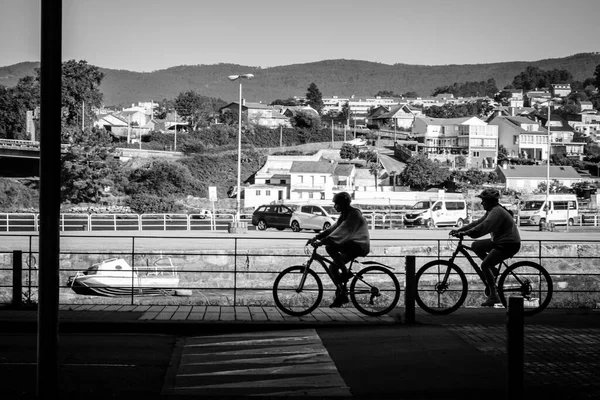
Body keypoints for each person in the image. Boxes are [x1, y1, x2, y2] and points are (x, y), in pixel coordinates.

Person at [450, 188, 521, 307]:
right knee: (476, 245)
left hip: (509, 244)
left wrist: (466, 233)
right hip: (500, 241)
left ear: (490, 201)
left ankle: (494, 296)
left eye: (483, 200)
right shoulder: (491, 211)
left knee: (484, 265)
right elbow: (477, 223)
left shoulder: (496, 212)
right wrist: (460, 230)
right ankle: (492, 270)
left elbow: (483, 227)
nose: (482, 203)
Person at [308, 192, 370, 308]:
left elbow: (341, 231)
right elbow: (333, 228)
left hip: (359, 246)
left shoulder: (353, 215)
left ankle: (345, 273)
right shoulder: (345, 214)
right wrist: (317, 237)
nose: (335, 206)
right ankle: (342, 295)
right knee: (333, 267)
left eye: (336, 203)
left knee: (330, 247)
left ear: (343, 203)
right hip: (352, 244)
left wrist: (323, 241)